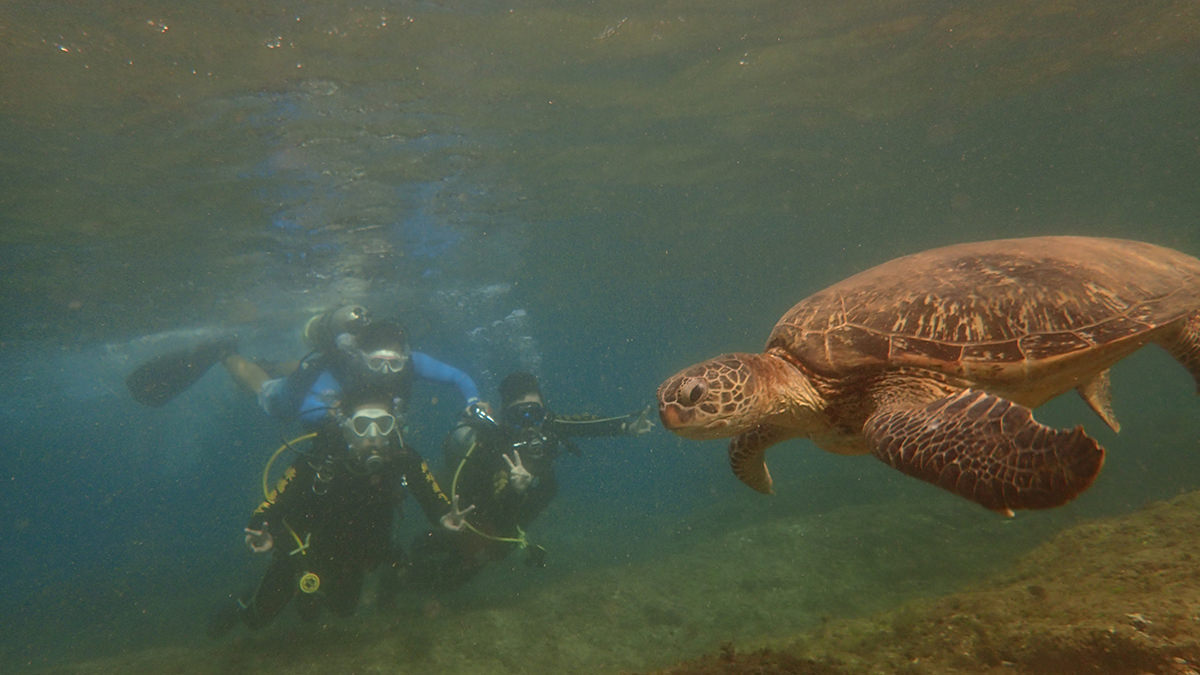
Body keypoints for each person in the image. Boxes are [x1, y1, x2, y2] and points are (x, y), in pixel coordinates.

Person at [206, 395, 466, 637]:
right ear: (347, 428)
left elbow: (429, 493)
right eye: (363, 425)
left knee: (343, 611)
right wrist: (262, 530)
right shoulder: (319, 459)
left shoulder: (403, 458)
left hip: (355, 552)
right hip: (304, 550)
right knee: (256, 620)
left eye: (383, 424)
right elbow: (273, 504)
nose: (373, 436)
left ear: (393, 428)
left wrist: (445, 515)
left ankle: (310, 594)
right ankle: (243, 603)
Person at [407, 371, 655, 593]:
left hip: (505, 528)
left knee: (460, 573)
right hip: (474, 516)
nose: (528, 423)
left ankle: (415, 572)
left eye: (534, 413)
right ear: (506, 417)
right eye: (518, 415)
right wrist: (515, 490)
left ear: (544, 413)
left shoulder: (550, 426)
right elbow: (494, 509)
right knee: (447, 568)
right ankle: (407, 567)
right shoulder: (495, 442)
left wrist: (627, 426)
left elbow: (584, 424)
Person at [127, 304, 485, 427]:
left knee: (303, 367)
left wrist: (472, 401)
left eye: (396, 364)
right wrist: (333, 415)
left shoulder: (410, 363)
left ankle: (272, 362)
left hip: (324, 378)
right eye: (380, 364)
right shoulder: (341, 370)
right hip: (306, 391)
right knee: (268, 392)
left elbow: (458, 377)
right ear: (362, 357)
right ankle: (226, 354)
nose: (389, 372)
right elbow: (308, 407)